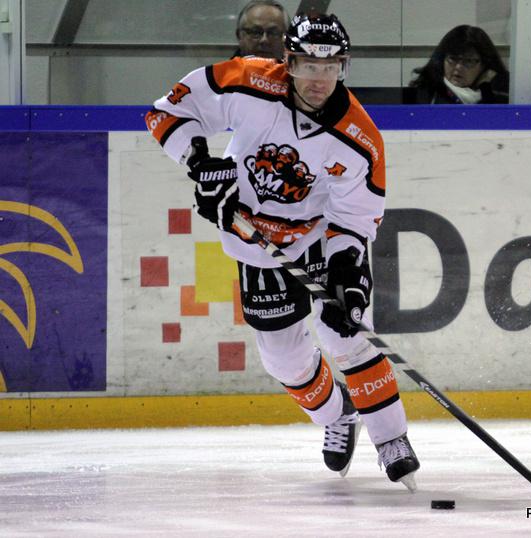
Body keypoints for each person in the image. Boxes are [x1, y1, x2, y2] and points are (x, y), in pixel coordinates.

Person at [145, 13, 420, 490]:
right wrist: (201, 164)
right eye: (308, 66)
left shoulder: (360, 139)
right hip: (255, 243)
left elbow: (355, 220)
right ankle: (337, 414)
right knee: (284, 360)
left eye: (330, 67)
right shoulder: (247, 81)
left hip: (317, 239)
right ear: (288, 62)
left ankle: (392, 438)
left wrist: (348, 275)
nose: (319, 80)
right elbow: (166, 112)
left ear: (344, 68)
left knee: (346, 333)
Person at [405, 25, 509, 104]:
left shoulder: (500, 93)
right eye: (453, 59)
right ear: (441, 59)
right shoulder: (426, 94)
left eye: (468, 61)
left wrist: (487, 89)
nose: (458, 67)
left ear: (484, 65)